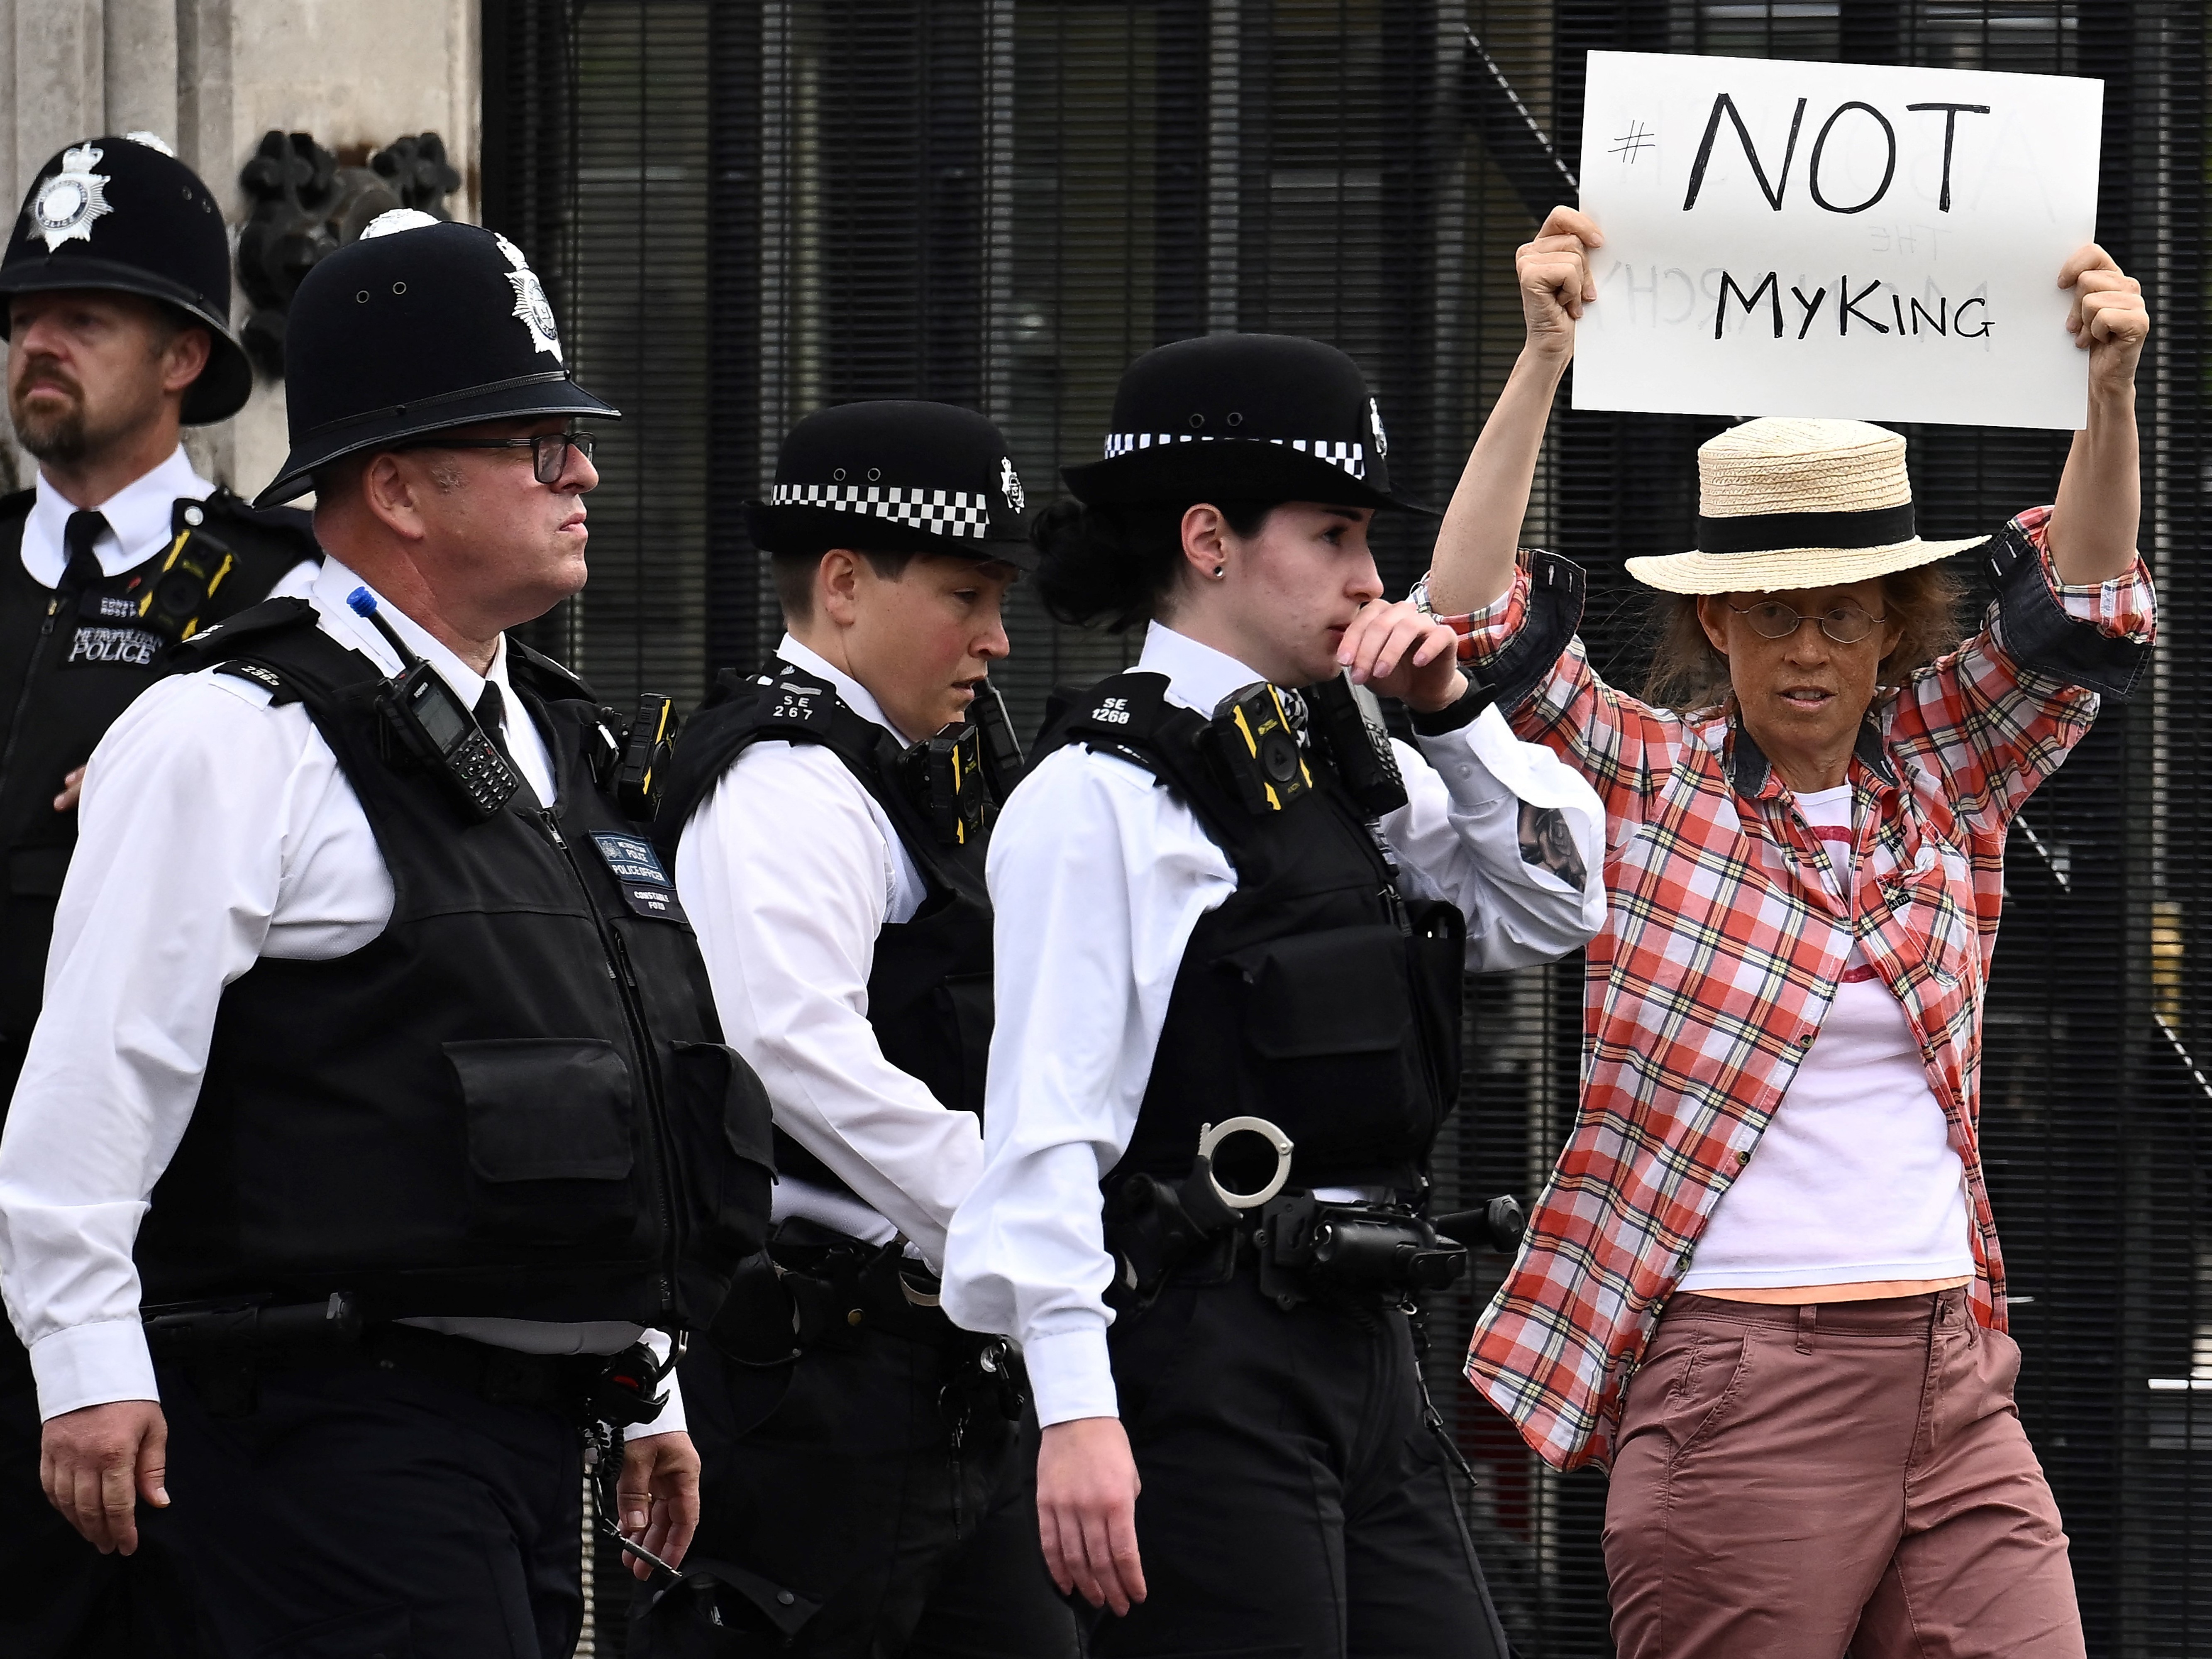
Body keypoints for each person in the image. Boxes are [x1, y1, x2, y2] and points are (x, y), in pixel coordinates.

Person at [0, 211, 775, 1657]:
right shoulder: (229, 732)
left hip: (550, 1446)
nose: (587, 474)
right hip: (333, 1433)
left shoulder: (558, 735)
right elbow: (98, 1077)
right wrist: (86, 1364)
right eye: (539, 445)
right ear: (402, 489)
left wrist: (642, 1380)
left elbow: (612, 1072)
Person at [1429, 207, 2153, 1658]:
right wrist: (1538, 359)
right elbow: (1461, 617)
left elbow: (2082, 609)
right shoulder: (1644, 776)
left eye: (1838, 615)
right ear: (1715, 632)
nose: (1806, 649)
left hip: (1951, 1366)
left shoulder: (1943, 774)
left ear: (1894, 624)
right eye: (1768, 617)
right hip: (1737, 1374)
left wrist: (2110, 390)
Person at [939, 332, 1609, 1657]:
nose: (1369, 580)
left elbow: (1557, 897)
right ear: (1207, 539)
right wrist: (1076, 1410)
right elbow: (1042, 1131)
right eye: (1335, 533)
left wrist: (1452, 713)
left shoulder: (1342, 760)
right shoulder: (1100, 797)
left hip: (1363, 1347)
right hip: (1201, 1357)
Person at [645, 400, 1079, 1654]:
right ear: (843, 583)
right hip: (817, 1394)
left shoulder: (888, 770)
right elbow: (786, 1049)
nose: (997, 639)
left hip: (931, 1373)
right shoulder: (787, 779)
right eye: (965, 594)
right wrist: (1010, 1213)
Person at [0, 132, 320, 1658]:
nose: (36, 344)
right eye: (21, 317)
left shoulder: (284, 599)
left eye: (85, 316)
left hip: (184, 1284)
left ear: (185, 355)